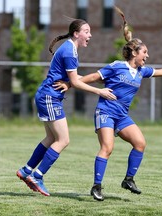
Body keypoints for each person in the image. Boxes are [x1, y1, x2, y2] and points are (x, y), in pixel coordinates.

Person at [55, 6, 162, 201]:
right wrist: (70, 84)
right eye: (144, 53)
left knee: (140, 143)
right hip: (105, 112)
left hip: (122, 116)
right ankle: (97, 186)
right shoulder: (116, 66)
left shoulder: (142, 71)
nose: (147, 57)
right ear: (134, 53)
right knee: (108, 148)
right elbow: (93, 77)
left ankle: (128, 180)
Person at [16, 18, 116, 197]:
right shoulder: (70, 50)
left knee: (50, 138)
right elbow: (76, 82)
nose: (90, 35)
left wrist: (89, 79)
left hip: (47, 96)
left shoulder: (70, 48)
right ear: (76, 33)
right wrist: (99, 91)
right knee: (63, 140)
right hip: (50, 97)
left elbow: (73, 78)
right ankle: (37, 176)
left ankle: (26, 170)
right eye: (86, 31)